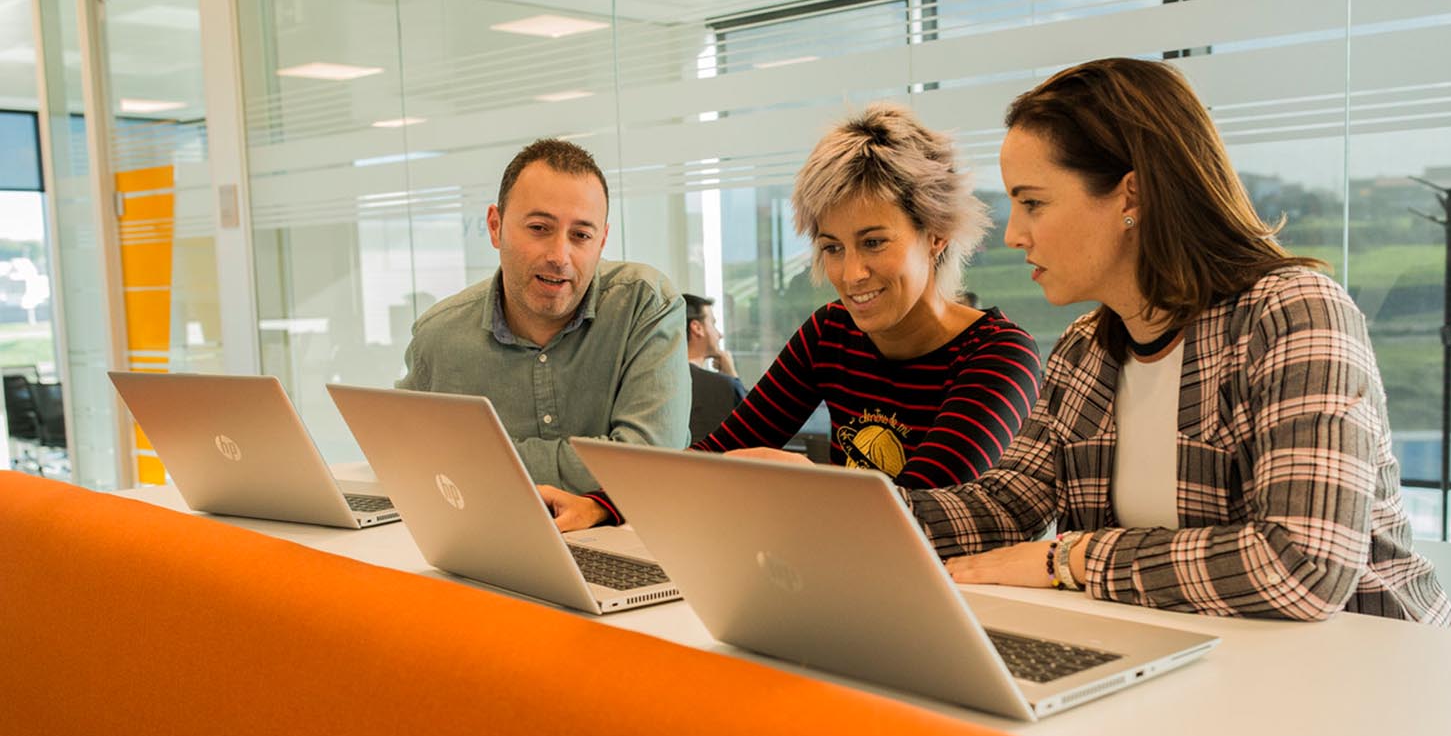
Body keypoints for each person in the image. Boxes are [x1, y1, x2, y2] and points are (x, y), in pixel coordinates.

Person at [918, 58, 1451, 624]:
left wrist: (1069, 559)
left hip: (1371, 669)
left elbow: (1305, 566)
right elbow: (1003, 505)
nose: (1012, 235)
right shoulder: (1084, 352)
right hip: (1204, 660)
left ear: (1132, 196)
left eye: (1033, 202)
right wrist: (858, 516)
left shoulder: (1294, 312)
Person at [543, 103, 1044, 531]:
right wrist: (603, 506)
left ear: (935, 234)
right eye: (832, 247)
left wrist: (801, 482)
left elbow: (924, 509)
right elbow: (722, 449)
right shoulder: (832, 333)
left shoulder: (1000, 355)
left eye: (873, 242)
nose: (851, 274)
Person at [397, 138, 689, 530]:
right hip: (487, 543)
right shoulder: (439, 335)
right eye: (539, 228)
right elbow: (404, 455)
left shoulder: (645, 305)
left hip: (628, 545)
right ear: (495, 227)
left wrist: (477, 461)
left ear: (601, 241)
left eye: (581, 235)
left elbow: (649, 463)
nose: (559, 255)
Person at [682, 293, 747, 444]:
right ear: (697, 328)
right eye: (713, 323)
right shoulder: (724, 387)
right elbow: (755, 423)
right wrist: (732, 376)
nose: (720, 334)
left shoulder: (657, 381)